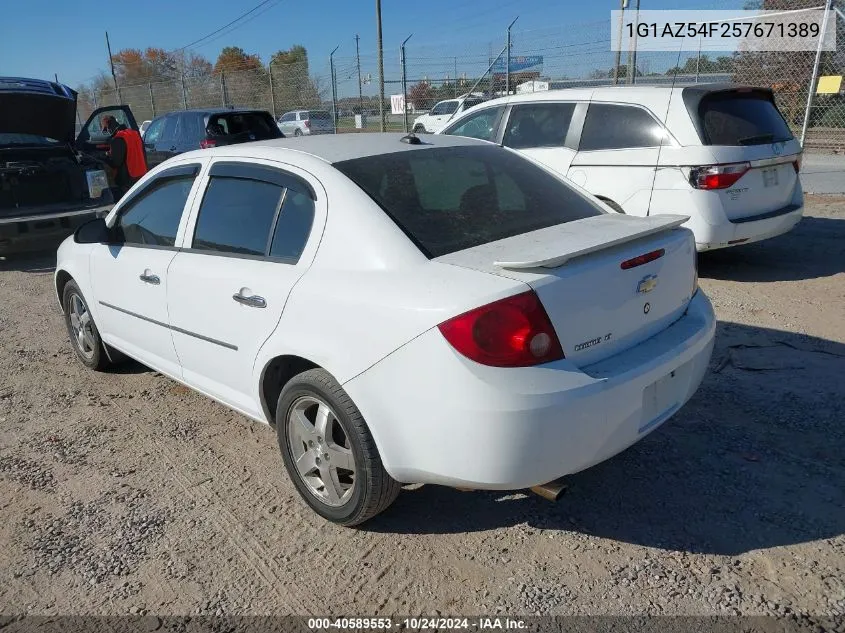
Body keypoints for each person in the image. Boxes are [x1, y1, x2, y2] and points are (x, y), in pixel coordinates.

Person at [101, 115, 148, 200]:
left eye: (106, 129)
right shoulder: (134, 133)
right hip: (141, 174)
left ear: (109, 127)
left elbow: (116, 163)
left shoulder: (118, 139)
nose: (107, 131)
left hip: (128, 179)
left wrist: (105, 157)